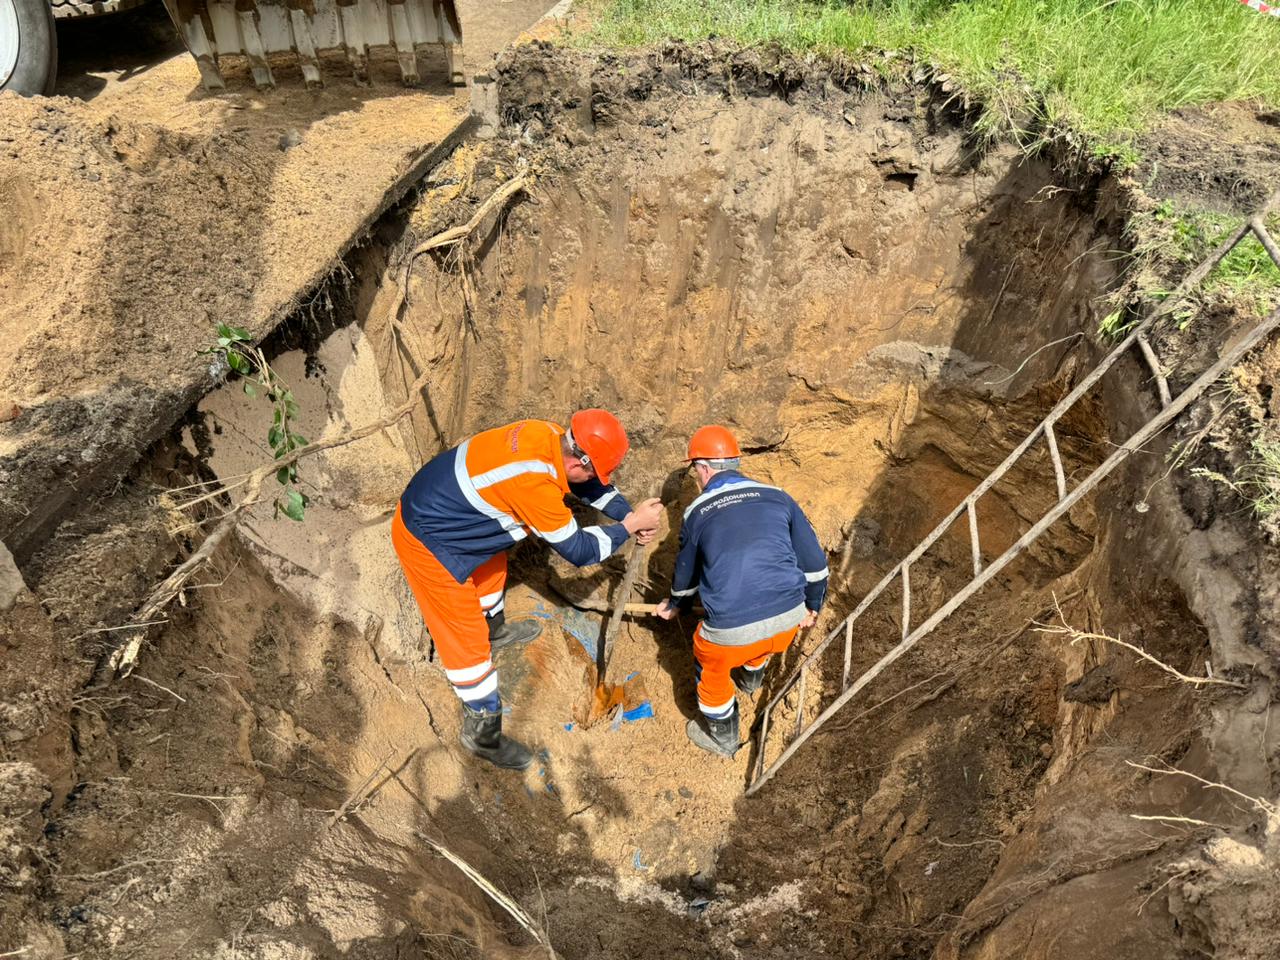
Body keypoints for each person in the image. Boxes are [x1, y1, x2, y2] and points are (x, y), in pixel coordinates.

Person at [392, 410, 663, 771]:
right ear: (578, 458)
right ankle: (482, 734)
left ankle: (496, 630)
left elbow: (589, 485)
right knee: (466, 641)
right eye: (594, 469)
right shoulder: (532, 485)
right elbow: (579, 550)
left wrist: (629, 515)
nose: (596, 479)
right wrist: (628, 527)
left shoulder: (549, 436)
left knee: (492, 571)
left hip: (452, 511)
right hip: (430, 540)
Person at [657, 425, 828, 757]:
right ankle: (751, 682)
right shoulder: (779, 496)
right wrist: (811, 607)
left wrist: (676, 603)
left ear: (703, 468)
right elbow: (816, 569)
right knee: (762, 637)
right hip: (787, 625)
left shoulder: (697, 512)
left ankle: (723, 738)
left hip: (730, 635)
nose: (696, 479)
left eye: (695, 471)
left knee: (711, 670)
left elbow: (686, 576)